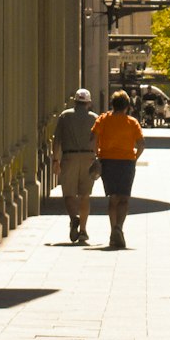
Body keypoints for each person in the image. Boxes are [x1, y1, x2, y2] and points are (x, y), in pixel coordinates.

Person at [92, 89, 144, 248]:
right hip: (126, 162)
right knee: (124, 198)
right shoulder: (132, 122)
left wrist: (98, 155)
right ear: (127, 106)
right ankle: (119, 228)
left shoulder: (103, 120)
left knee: (113, 198)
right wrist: (135, 158)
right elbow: (141, 145)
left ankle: (113, 229)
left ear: (112, 105)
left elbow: (93, 138)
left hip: (107, 161)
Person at [51, 87, 99, 244]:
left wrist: (56, 160)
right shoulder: (94, 118)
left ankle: (74, 218)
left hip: (69, 157)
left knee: (69, 194)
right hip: (88, 158)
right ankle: (83, 231)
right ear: (88, 103)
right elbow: (98, 140)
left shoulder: (65, 116)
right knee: (85, 196)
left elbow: (57, 139)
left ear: (75, 101)